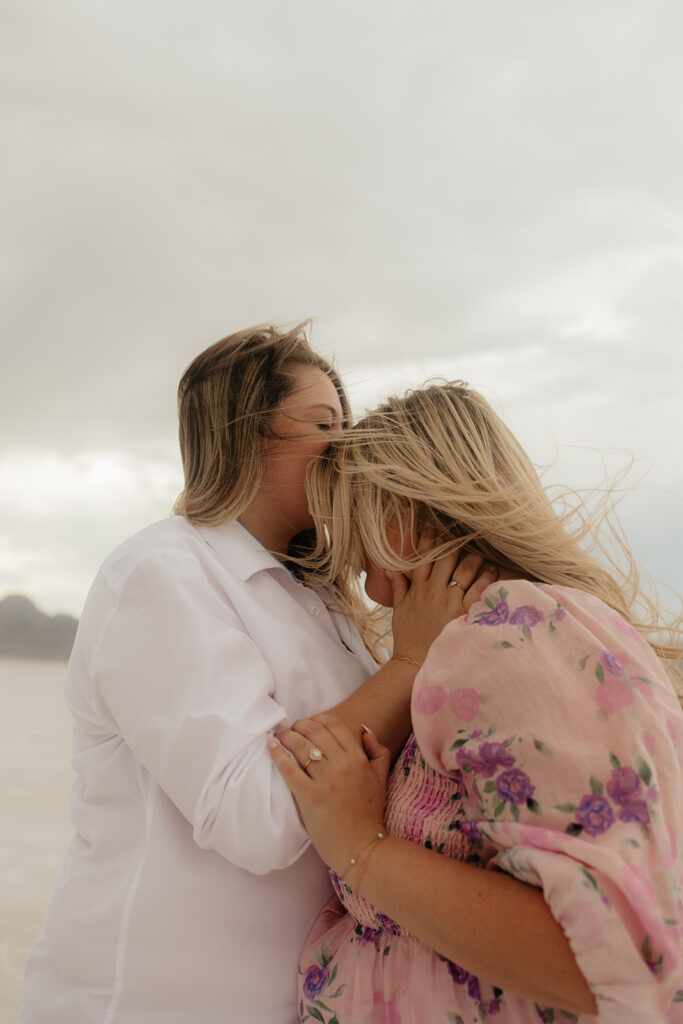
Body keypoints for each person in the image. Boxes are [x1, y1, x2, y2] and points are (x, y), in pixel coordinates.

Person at [18, 328, 494, 1024]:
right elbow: (258, 818)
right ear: (247, 434)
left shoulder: (321, 598)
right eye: (326, 425)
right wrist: (409, 664)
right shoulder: (163, 575)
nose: (350, 448)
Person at [271, 380, 683, 1024]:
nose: (348, 555)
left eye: (354, 513)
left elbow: (606, 959)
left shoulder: (509, 635)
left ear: (406, 509)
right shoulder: (523, 630)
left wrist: (361, 846)